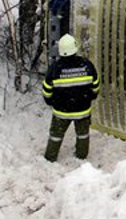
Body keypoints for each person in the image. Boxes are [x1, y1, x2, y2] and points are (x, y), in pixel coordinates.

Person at [41, 34, 100, 162]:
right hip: (83, 110)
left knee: (56, 136)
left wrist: (51, 101)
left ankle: (50, 157)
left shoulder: (55, 68)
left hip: (61, 111)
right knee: (83, 134)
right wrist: (90, 96)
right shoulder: (87, 65)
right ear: (75, 48)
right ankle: (81, 155)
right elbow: (96, 85)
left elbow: (47, 89)